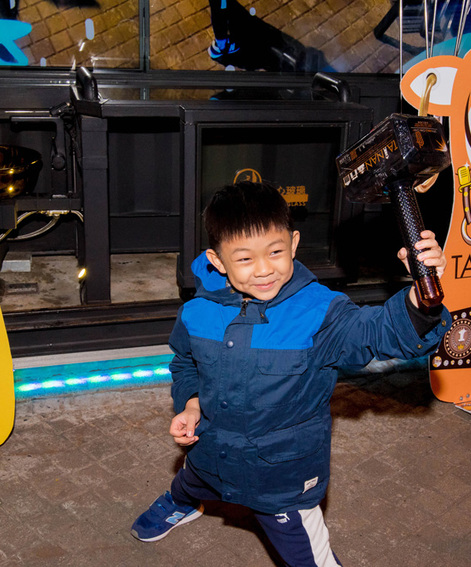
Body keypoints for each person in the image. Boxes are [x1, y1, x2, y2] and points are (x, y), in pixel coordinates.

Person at [131, 181, 451, 566]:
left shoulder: (320, 312)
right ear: (217, 262)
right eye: (245, 259)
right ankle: (182, 501)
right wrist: (192, 402)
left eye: (276, 252)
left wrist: (422, 297)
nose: (265, 269)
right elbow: (185, 362)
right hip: (211, 450)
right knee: (192, 478)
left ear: (294, 243)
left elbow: (379, 334)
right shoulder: (197, 312)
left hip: (282, 477)